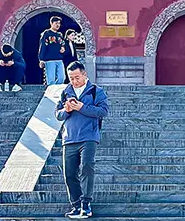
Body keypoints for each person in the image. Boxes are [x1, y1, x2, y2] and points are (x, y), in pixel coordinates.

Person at [55, 62, 108, 219]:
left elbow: (103, 111)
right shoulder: (66, 91)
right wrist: (67, 110)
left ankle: (86, 203)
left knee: (86, 168)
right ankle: (76, 205)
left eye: (77, 77)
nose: (74, 81)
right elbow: (58, 114)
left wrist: (81, 107)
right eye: (71, 78)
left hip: (89, 137)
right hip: (69, 137)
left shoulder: (95, 91)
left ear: (85, 75)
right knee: (69, 174)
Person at [39, 16, 67, 85]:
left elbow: (63, 44)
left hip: (59, 59)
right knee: (51, 80)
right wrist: (41, 59)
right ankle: (51, 92)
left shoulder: (59, 35)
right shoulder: (47, 33)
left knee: (62, 78)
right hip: (49, 60)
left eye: (59, 23)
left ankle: (55, 90)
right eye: (56, 23)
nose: (58, 25)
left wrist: (63, 48)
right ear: (51, 23)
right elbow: (43, 46)